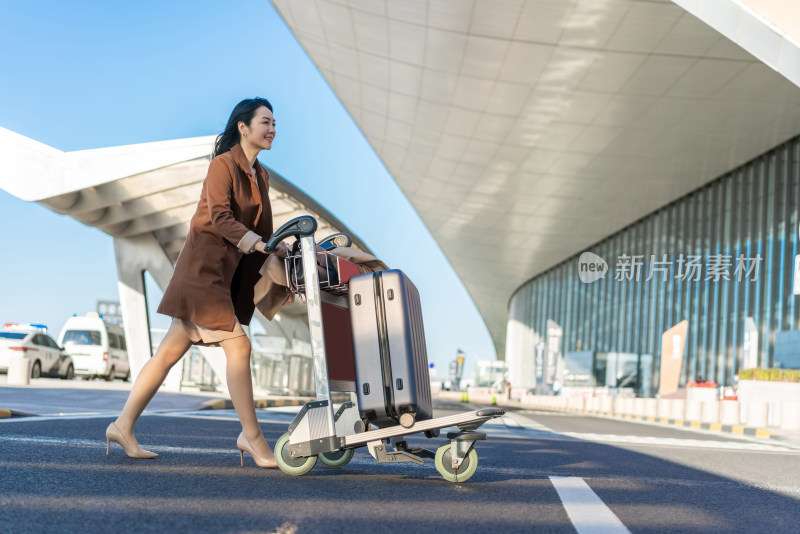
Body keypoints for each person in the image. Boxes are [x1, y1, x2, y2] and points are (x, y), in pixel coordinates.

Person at [106, 97, 286, 468]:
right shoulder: (223, 165)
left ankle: (122, 425)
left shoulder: (260, 175)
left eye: (274, 123)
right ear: (243, 127)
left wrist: (278, 247)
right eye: (265, 122)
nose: (272, 129)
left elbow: (262, 230)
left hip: (224, 274)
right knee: (239, 348)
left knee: (168, 353)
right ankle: (251, 437)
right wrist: (256, 241)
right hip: (202, 272)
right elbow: (219, 217)